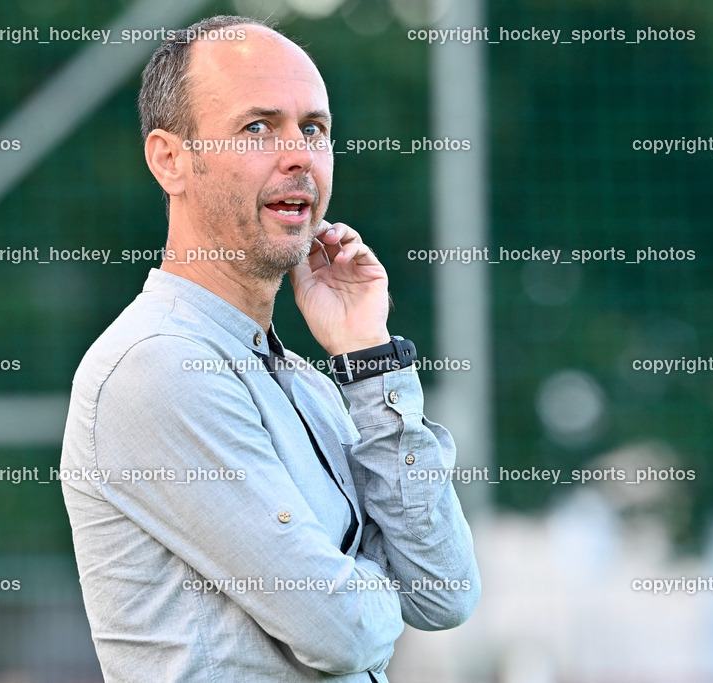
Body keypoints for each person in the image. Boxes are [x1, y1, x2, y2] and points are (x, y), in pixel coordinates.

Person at [60, 14, 480, 681]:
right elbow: (341, 631)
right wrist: (377, 581)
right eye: (257, 128)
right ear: (170, 160)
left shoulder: (311, 385)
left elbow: (444, 592)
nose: (298, 155)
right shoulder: (158, 364)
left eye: (313, 129)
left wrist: (369, 359)